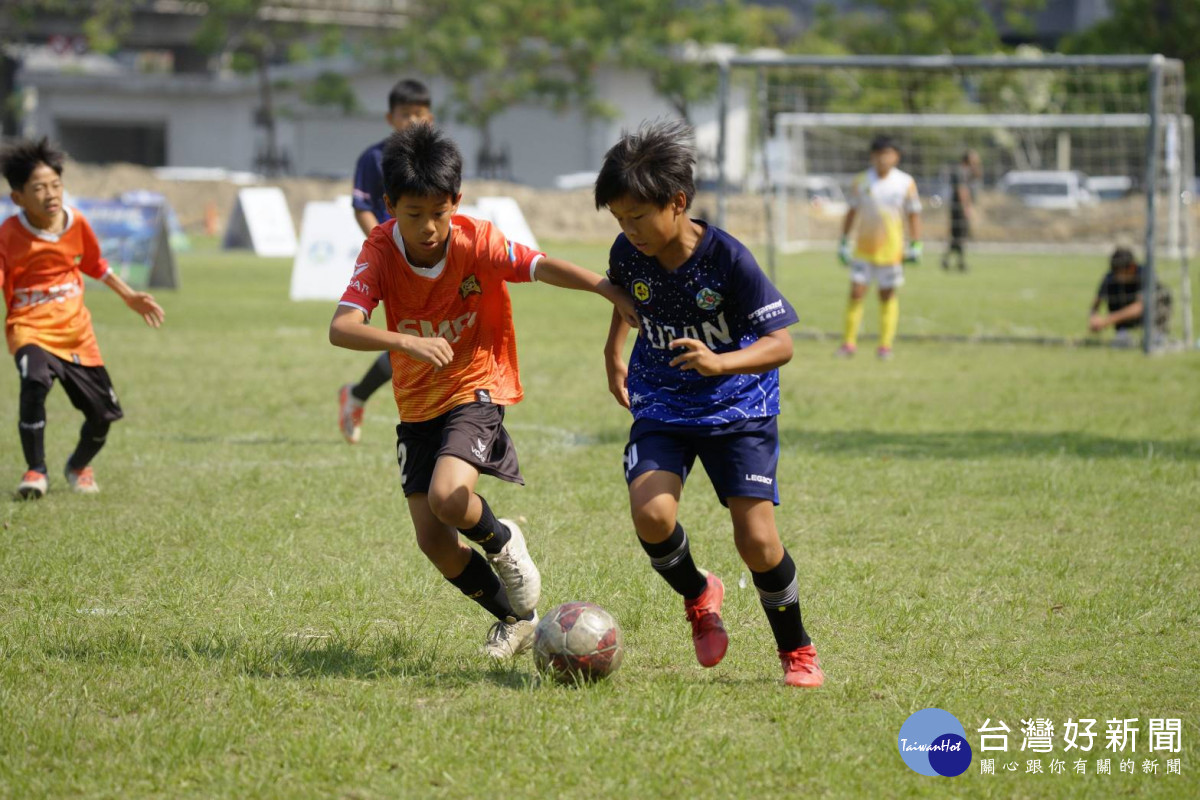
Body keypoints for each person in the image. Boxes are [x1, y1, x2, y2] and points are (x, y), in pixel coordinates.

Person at [328, 124, 638, 659]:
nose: (427, 227)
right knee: (433, 541)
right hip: (416, 402)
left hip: (477, 384)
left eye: (438, 213)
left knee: (452, 498)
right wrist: (403, 340)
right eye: (412, 214)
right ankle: (517, 618)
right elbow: (342, 327)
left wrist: (600, 285)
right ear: (389, 207)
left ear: (456, 202)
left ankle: (504, 542)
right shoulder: (378, 250)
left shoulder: (478, 241)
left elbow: (538, 266)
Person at [597, 120, 824, 688]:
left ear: (677, 202)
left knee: (757, 541)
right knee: (652, 516)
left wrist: (721, 362)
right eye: (619, 219)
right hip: (661, 401)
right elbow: (626, 297)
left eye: (638, 217)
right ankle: (700, 596)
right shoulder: (628, 251)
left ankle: (796, 649)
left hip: (737, 406)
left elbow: (783, 344)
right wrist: (612, 350)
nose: (630, 230)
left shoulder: (727, 258)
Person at [1, 137, 164, 499]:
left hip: (76, 334)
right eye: (39, 188)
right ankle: (35, 471)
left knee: (103, 415)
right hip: (29, 327)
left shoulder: (76, 224)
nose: (50, 194)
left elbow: (95, 264)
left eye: (56, 184)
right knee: (34, 381)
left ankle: (77, 466)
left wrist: (129, 296)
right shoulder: (9, 234)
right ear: (18, 198)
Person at [338, 78, 436, 444]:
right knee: (409, 337)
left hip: (426, 258)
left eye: (420, 114)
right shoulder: (374, 158)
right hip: (393, 260)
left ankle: (358, 395)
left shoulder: (436, 157)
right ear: (390, 117)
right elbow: (362, 206)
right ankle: (368, 397)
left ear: (431, 117)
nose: (413, 121)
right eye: (405, 114)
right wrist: (384, 244)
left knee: (416, 336)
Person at [836, 135, 922, 360]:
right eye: (879, 154)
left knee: (886, 294)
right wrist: (844, 240)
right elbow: (852, 212)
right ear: (872, 156)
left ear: (896, 156)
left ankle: (885, 346)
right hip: (864, 249)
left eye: (888, 153)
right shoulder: (862, 181)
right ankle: (849, 343)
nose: (883, 158)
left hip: (892, 251)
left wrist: (916, 243)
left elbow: (913, 214)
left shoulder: (905, 182)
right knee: (856, 292)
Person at [1089, 246, 1171, 346]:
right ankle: (1122, 333)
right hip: (1125, 320)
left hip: (1149, 316)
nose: (1116, 276)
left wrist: (1106, 321)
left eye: (1119, 272)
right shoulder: (1110, 278)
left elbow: (1140, 308)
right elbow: (1096, 302)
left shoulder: (1146, 274)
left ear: (1132, 267)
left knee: (1163, 293)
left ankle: (1157, 334)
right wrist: (1093, 317)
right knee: (1113, 288)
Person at [943, 149, 981, 272]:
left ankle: (949, 260)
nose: (977, 161)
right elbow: (961, 190)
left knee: (958, 236)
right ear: (968, 159)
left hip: (960, 207)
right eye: (974, 159)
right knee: (960, 235)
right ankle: (959, 262)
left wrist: (976, 166)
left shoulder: (967, 171)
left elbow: (978, 175)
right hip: (959, 208)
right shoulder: (960, 171)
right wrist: (966, 208)